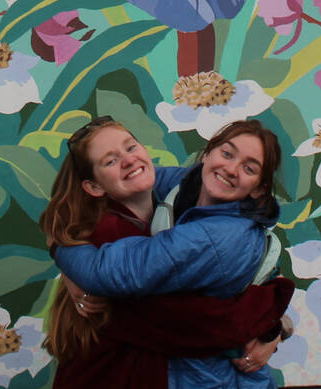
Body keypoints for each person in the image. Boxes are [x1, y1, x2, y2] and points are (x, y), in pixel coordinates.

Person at [43, 117, 292, 388]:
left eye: (249, 167)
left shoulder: (214, 234)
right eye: (227, 153)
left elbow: (202, 322)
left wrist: (60, 248)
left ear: (259, 189)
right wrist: (59, 242)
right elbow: (203, 323)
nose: (231, 168)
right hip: (127, 372)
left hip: (204, 375)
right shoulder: (186, 187)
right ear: (207, 155)